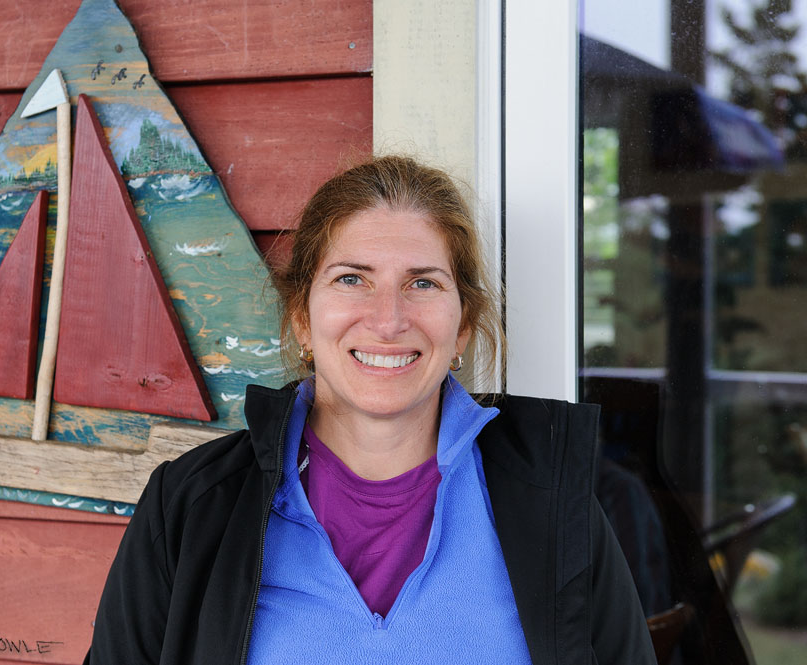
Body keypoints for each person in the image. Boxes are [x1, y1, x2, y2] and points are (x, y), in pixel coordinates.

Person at [83, 156, 657, 664]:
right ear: (302, 318)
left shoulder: (553, 500)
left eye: (423, 284)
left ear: (462, 326)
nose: (388, 320)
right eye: (352, 278)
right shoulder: (190, 507)